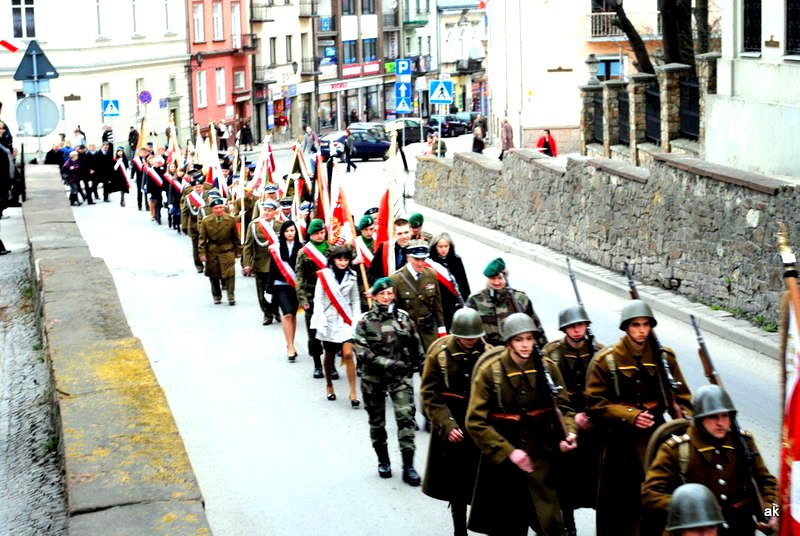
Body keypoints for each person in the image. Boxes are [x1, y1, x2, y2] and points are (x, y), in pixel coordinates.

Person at [585, 299, 693, 536]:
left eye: (646, 324)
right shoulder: (607, 360)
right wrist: (630, 415)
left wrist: (686, 420)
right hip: (619, 442)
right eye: (636, 325)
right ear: (626, 327)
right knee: (619, 505)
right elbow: (595, 404)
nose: (642, 330)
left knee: (659, 497)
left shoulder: (664, 357)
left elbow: (682, 396)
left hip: (656, 436)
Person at [465, 313, 578, 536]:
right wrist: (509, 451)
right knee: (508, 526)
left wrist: (570, 432)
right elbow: (475, 421)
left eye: (529, 338)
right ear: (508, 342)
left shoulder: (547, 368)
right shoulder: (491, 372)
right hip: (504, 462)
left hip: (542, 457)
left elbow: (565, 408)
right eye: (518, 339)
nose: (525, 345)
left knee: (550, 524)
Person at [642, 384, 777, 535]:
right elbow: (650, 493)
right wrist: (688, 507)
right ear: (700, 419)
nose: (720, 423)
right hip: (695, 528)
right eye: (713, 417)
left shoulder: (743, 443)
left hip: (740, 527)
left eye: (725, 416)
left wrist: (773, 513)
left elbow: (768, 482)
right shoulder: (678, 449)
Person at [420, 308, 487, 536]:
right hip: (453, 424)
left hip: (479, 426)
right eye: (466, 337)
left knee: (482, 482)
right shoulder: (439, 353)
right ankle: (459, 528)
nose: (470, 341)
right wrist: (447, 425)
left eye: (474, 337)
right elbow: (429, 394)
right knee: (456, 484)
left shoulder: (487, 353)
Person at [541, 305, 605, 535]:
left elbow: (607, 390)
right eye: (572, 326)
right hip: (564, 422)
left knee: (600, 480)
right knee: (565, 478)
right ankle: (568, 523)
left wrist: (591, 415)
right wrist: (570, 419)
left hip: (594, 423)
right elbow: (548, 393)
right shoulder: (552, 353)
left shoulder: (599, 351)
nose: (577, 330)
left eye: (580, 325)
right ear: (564, 329)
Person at [354, 277, 424, 486]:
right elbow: (362, 351)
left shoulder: (403, 318)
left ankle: (408, 466)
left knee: (405, 419)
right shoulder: (365, 321)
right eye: (382, 294)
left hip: (400, 378)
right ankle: (383, 461)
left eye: (390, 293)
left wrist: (421, 367)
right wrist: (388, 363)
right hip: (373, 380)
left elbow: (416, 345)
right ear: (375, 296)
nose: (386, 297)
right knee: (377, 424)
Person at [311, 246, 362, 406]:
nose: (343, 262)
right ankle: (329, 384)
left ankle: (353, 392)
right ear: (333, 260)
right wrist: (320, 318)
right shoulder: (324, 276)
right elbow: (318, 299)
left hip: (346, 320)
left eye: (346, 259)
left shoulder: (352, 276)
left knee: (348, 354)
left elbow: (355, 300)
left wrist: (356, 319)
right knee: (329, 355)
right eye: (340, 259)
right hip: (329, 321)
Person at [466, 257, 547, 348]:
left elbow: (536, 326)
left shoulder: (520, 299)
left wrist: (543, 349)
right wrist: (483, 344)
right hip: (488, 349)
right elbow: (468, 330)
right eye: (493, 278)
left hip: (516, 349)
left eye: (500, 278)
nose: (497, 282)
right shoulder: (475, 300)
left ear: (506, 278)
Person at [389, 239, 445, 355]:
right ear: (409, 258)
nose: (420, 263)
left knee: (433, 359)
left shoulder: (431, 275)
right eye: (416, 259)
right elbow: (393, 309)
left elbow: (437, 304)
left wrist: (441, 328)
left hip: (428, 329)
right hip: (408, 331)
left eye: (423, 259)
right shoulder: (396, 279)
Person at [295, 218, 330, 378]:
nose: (320, 236)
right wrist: (303, 300)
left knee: (329, 333)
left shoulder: (332, 250)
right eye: (316, 233)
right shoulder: (304, 252)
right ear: (310, 234)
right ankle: (317, 364)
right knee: (314, 333)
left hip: (329, 297)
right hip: (311, 296)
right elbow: (299, 277)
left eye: (322, 232)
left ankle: (330, 365)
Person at [243, 200, 283, 325]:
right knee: (262, 291)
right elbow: (248, 246)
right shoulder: (254, 225)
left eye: (269, 210)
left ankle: (276, 310)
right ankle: (267, 314)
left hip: (276, 264)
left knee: (276, 290)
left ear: (275, 212)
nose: (266, 212)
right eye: (265, 210)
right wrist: (247, 264)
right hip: (260, 263)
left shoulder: (280, 225)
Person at [198, 197, 242, 305]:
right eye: (216, 208)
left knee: (230, 274)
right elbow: (202, 238)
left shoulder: (230, 220)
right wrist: (202, 253)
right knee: (214, 275)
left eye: (221, 207)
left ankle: (231, 296)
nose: (219, 210)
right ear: (212, 209)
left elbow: (236, 237)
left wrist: (238, 251)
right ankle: (216, 295)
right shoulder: (206, 221)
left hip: (227, 250)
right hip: (212, 251)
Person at [269, 220, 301, 360]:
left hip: (295, 286)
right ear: (282, 233)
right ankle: (290, 346)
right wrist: (268, 289)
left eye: (292, 230)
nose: (289, 233)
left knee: (293, 315)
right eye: (287, 231)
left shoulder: (302, 247)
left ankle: (291, 343)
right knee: (287, 314)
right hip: (280, 285)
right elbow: (272, 269)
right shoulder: (276, 248)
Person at [427, 232, 470, 332]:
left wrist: (467, 302)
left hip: (454, 302)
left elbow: (463, 283)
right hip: (439, 303)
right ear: (435, 247)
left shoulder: (456, 260)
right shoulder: (430, 262)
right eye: (440, 246)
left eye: (446, 246)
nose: (443, 249)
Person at [181, 173, 214, 273]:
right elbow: (185, 212)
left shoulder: (209, 195)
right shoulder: (189, 198)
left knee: (208, 245)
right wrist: (184, 226)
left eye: (200, 186)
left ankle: (209, 264)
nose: (198, 188)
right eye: (196, 187)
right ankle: (199, 265)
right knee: (196, 246)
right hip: (194, 225)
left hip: (208, 225)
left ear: (203, 186)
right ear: (193, 188)